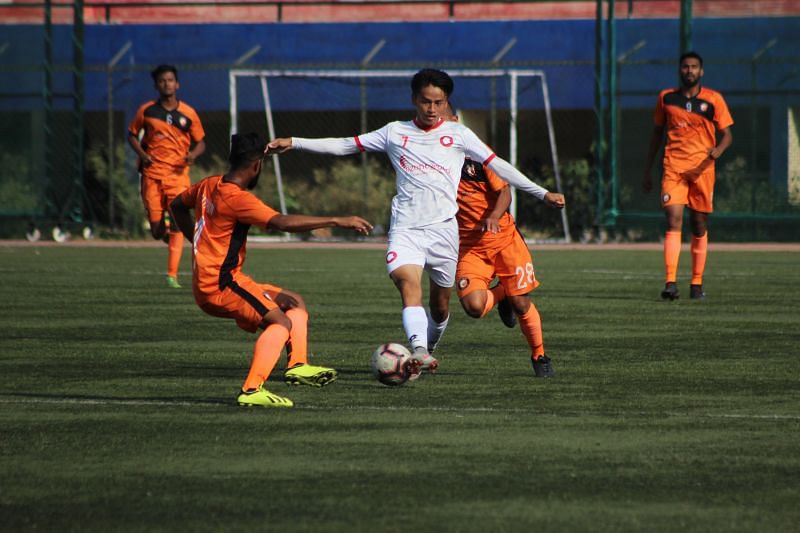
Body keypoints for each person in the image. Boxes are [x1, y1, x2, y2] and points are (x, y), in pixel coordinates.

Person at [267, 68, 565, 374]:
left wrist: (542, 194)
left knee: (441, 306)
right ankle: (419, 350)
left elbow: (500, 166)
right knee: (408, 283)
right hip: (406, 230)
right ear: (414, 99)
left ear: (446, 102)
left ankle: (430, 346)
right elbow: (347, 144)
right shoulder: (394, 132)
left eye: (438, 102)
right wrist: (296, 142)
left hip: (446, 234)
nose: (432, 109)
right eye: (425, 101)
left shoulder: (460, 135)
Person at [169, 132, 372, 408]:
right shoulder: (237, 199)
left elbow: (176, 205)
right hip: (220, 285)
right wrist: (337, 219)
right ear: (256, 166)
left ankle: (298, 365)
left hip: (221, 280)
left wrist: (196, 240)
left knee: (293, 302)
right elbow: (281, 222)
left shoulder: (209, 184)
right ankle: (252, 390)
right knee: (280, 322)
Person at [445, 106, 554, 378]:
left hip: (504, 239)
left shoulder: (478, 157)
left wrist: (494, 215)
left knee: (521, 304)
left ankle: (540, 356)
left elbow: (505, 193)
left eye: (444, 120)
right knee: (474, 307)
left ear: (456, 123)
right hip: (470, 248)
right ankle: (502, 293)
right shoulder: (429, 164)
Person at [643, 51, 733, 300]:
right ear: (679, 70)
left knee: (699, 224)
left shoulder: (714, 99)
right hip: (674, 168)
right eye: (685, 67)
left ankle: (696, 283)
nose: (689, 71)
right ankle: (670, 283)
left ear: (701, 71)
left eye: (694, 67)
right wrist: (648, 170)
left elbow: (727, 135)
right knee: (673, 220)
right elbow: (656, 134)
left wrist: (717, 151)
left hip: (703, 169)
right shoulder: (667, 98)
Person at [128, 64, 206, 289]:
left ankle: (172, 275)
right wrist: (142, 155)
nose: (167, 84)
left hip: (178, 176)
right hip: (151, 176)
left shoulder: (188, 113)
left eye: (170, 80)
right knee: (155, 230)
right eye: (162, 81)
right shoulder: (146, 110)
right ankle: (165, 231)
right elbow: (132, 135)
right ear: (156, 85)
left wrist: (193, 155)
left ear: (177, 83)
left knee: (179, 224)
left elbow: (201, 142)